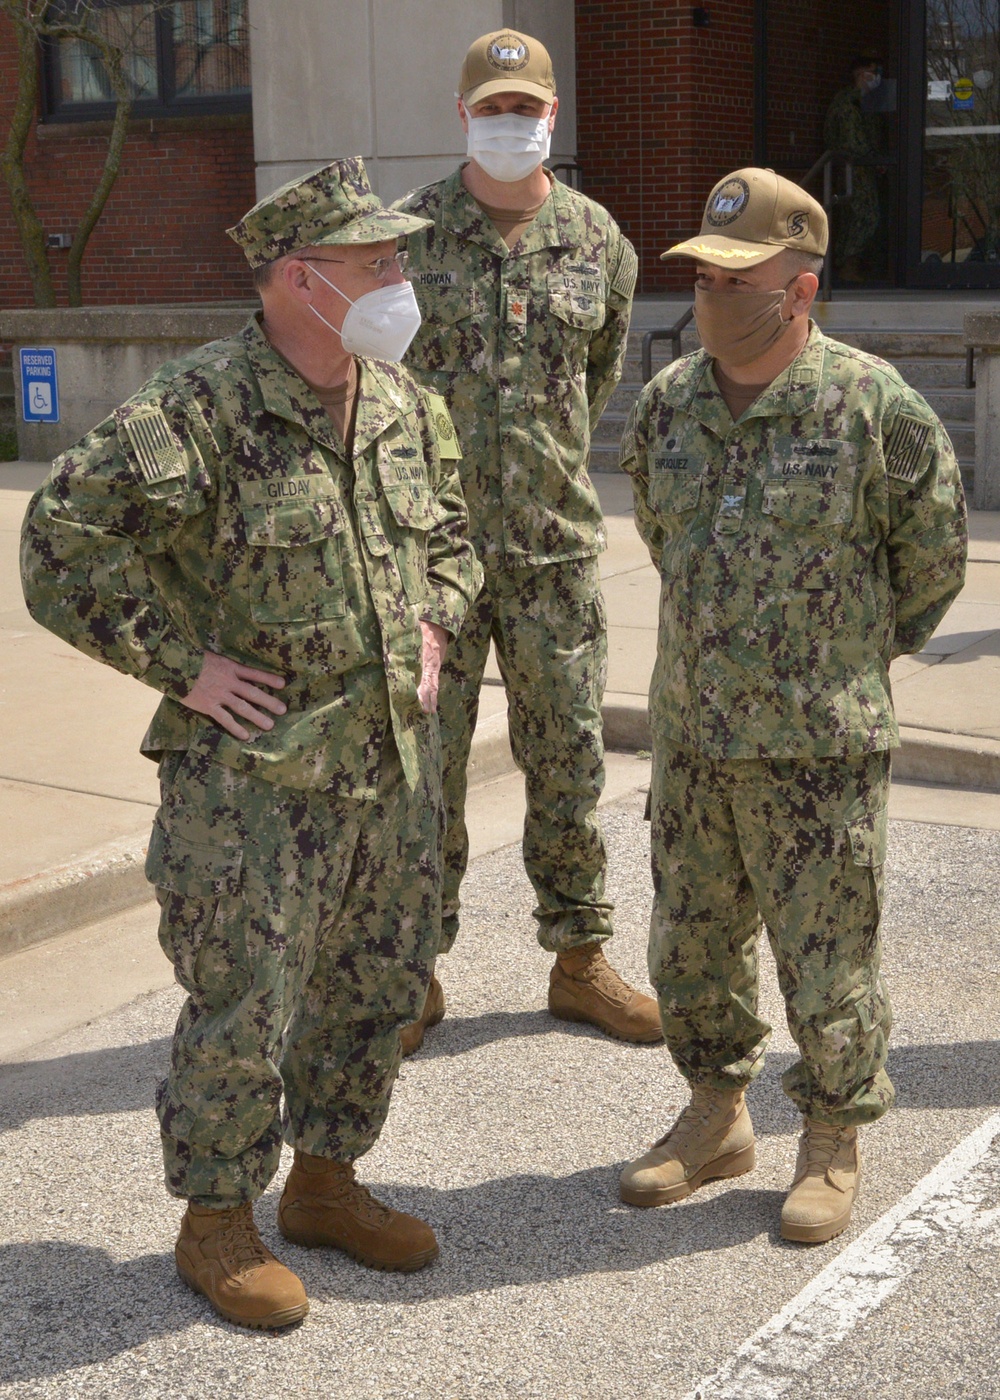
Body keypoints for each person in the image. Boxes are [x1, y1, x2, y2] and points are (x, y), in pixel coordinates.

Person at [20, 159, 482, 1328]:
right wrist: (185, 666)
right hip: (255, 789)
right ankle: (218, 1219)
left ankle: (327, 1181)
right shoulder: (197, 407)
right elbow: (61, 544)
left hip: (389, 767)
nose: (399, 279)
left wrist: (436, 613)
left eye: (397, 259)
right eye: (373, 262)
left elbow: (455, 537)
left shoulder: (401, 401)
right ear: (298, 278)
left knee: (374, 985)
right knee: (246, 1005)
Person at [617, 168, 967, 1243]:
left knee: (827, 952)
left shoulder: (875, 410)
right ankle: (717, 1112)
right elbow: (660, 531)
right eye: (700, 275)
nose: (707, 295)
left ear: (798, 291)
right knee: (692, 941)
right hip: (694, 736)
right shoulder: (669, 401)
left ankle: (831, 1133)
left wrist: (838, 661)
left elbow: (931, 563)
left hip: (817, 744)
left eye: (732, 278)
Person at [394, 28, 660, 1053]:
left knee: (570, 761)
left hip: (552, 550)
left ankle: (579, 958)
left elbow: (591, 387)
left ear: (552, 117)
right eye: (491, 108)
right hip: (435, 557)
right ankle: (411, 968)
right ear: (463, 116)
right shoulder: (407, 237)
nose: (510, 123)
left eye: (526, 108)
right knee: (423, 767)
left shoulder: (600, 242)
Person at [824, 56, 887, 282]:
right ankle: (847, 268)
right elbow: (854, 141)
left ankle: (852, 267)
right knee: (864, 217)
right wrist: (873, 159)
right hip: (854, 169)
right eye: (873, 71)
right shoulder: (849, 104)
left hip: (860, 168)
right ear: (861, 74)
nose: (877, 75)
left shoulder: (864, 101)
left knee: (858, 218)